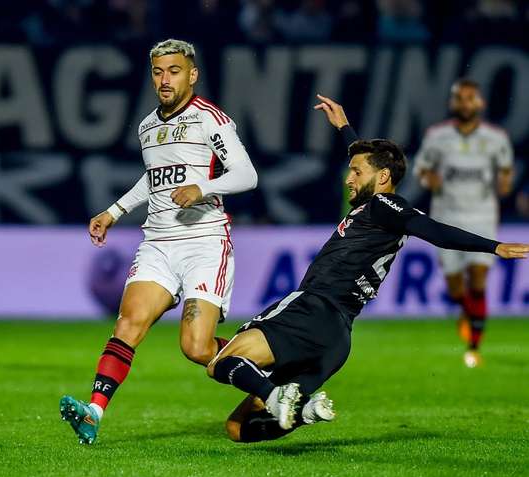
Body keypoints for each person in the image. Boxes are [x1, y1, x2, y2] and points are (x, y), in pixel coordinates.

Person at [206, 95, 528, 441]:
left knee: (220, 362)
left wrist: (494, 247)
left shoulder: (384, 206)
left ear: (384, 177)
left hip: (312, 308)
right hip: (337, 339)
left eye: (356, 172)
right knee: (238, 428)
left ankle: (274, 395)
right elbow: (369, 163)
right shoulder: (377, 209)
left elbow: (433, 230)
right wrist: (345, 128)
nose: (349, 178)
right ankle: (306, 411)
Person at [59, 39, 259, 445]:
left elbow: (246, 175)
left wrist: (201, 187)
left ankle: (269, 374)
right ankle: (94, 412)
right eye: (157, 71)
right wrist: (113, 211)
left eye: (174, 71)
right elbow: (152, 179)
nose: (165, 80)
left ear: (192, 74)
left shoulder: (210, 120)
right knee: (128, 323)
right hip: (158, 243)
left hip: (204, 241)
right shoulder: (147, 126)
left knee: (196, 347)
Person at [414, 78, 515, 367]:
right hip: (447, 218)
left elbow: (506, 170)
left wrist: (505, 182)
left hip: (482, 216)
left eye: (471, 98)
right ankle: (465, 310)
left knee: (479, 279)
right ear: (453, 103)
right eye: (461, 98)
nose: (466, 103)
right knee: (456, 287)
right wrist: (427, 179)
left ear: (480, 103)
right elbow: (421, 170)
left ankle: (473, 346)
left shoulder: (497, 138)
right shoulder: (436, 136)